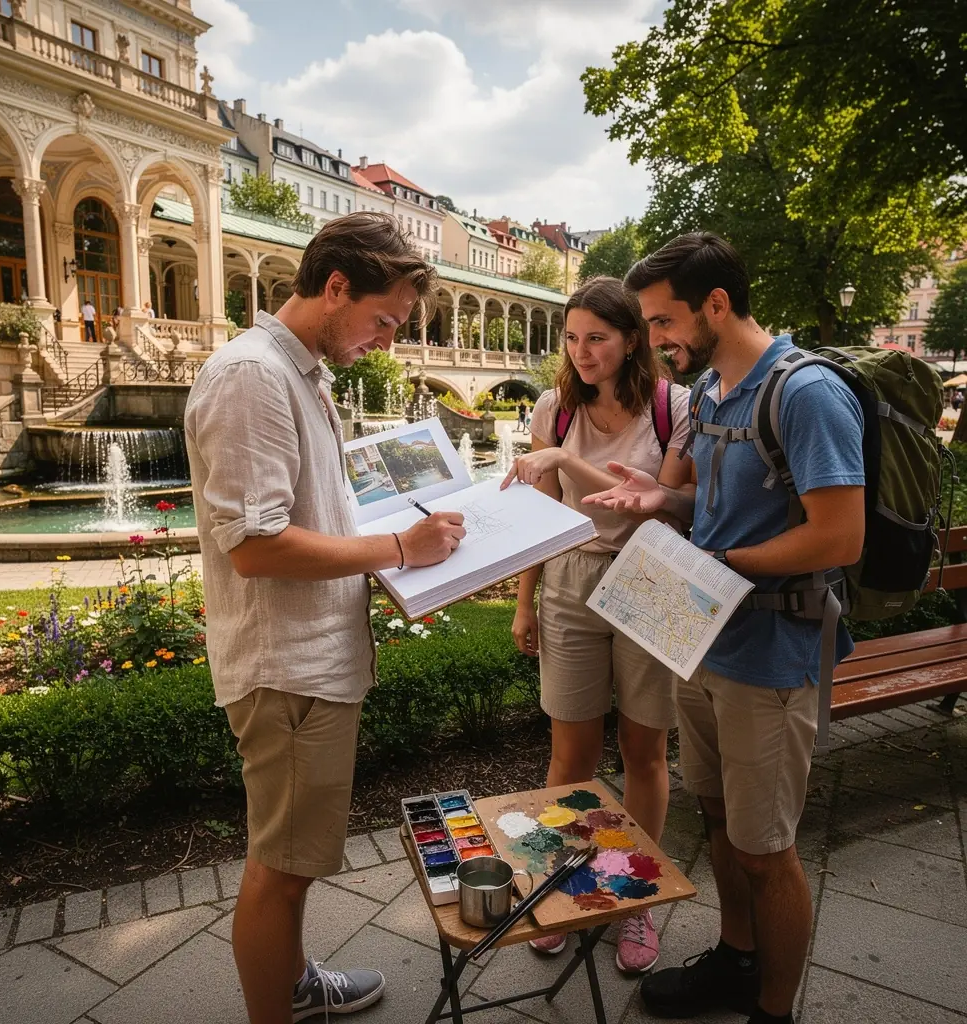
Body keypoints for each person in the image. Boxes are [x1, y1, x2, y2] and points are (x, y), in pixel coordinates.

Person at [185, 212, 466, 1024]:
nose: (386, 340)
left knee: (292, 861)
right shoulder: (252, 377)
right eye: (383, 320)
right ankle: (282, 1005)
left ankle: (296, 979)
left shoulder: (295, 369)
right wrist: (397, 550)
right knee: (282, 867)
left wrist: (389, 554)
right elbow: (257, 546)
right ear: (335, 286)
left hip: (308, 661)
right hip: (288, 669)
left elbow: (300, 519)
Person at [585, 233, 865, 1024]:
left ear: (716, 304)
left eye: (663, 321)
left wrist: (720, 565)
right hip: (705, 640)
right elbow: (709, 505)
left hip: (772, 655)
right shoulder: (710, 390)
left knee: (768, 850)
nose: (654, 339)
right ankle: (737, 960)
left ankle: (773, 1011)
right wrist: (660, 498)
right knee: (717, 819)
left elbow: (839, 537)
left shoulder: (805, 393)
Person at [500, 276, 694, 972]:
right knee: (569, 754)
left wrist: (562, 460)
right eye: (573, 337)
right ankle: (560, 884)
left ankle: (634, 899)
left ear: (632, 339)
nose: (582, 352)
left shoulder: (674, 406)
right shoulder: (554, 409)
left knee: (644, 752)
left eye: (598, 338)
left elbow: (648, 507)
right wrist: (526, 601)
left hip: (652, 576)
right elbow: (540, 521)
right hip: (573, 578)